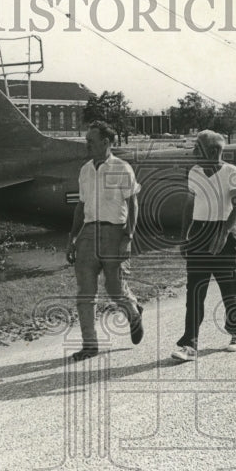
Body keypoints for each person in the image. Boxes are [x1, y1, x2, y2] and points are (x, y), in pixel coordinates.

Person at [65, 121, 144, 361]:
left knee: (115, 288)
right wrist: (72, 238)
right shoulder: (85, 170)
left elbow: (133, 204)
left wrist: (128, 237)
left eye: (90, 140)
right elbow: (81, 206)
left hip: (114, 233)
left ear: (106, 142)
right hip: (88, 234)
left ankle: (133, 312)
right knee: (85, 293)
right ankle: (90, 345)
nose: (86, 144)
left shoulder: (122, 168)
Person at [172, 130, 236, 362]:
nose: (193, 151)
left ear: (213, 151)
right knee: (194, 291)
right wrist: (184, 235)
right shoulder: (194, 172)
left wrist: (223, 234)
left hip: (224, 232)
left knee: (228, 288)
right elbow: (188, 204)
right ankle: (189, 344)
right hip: (198, 234)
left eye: (197, 147)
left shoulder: (232, 173)